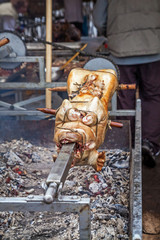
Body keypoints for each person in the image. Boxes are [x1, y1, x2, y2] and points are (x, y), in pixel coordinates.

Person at [93, 0, 160, 167]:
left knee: (124, 98)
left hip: (121, 49)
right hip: (153, 47)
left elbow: (98, 19)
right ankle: (149, 143)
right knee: (153, 97)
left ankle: (125, 146)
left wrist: (112, 33)